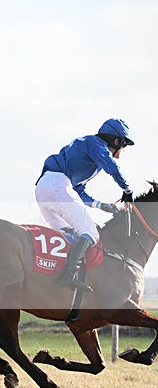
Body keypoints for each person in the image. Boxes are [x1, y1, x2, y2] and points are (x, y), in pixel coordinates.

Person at [35, 118, 134, 292]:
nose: (121, 153)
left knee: (70, 234)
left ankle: (50, 274)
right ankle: (69, 276)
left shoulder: (89, 151)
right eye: (123, 147)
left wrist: (101, 205)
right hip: (57, 185)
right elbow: (113, 168)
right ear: (116, 141)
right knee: (90, 232)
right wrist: (127, 189)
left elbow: (79, 191)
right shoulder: (96, 144)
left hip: (44, 189)